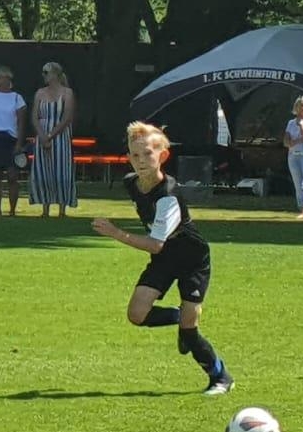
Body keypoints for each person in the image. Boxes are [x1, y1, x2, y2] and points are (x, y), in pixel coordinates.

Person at [90, 121, 234, 396]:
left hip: (192, 259)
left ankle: (221, 377)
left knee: (190, 332)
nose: (141, 160)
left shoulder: (168, 196)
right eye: (135, 155)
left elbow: (155, 244)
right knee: (136, 315)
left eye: (148, 154)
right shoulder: (131, 182)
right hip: (166, 258)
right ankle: (179, 316)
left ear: (163, 156)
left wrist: (116, 233)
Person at [29, 61, 77, 218]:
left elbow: (67, 117)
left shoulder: (67, 93)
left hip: (61, 137)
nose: (43, 75)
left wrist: (51, 135)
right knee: (44, 170)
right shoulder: (39, 93)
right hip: (42, 136)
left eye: (46, 72)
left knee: (62, 170)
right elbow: (35, 117)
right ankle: (45, 208)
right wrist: (42, 136)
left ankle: (62, 209)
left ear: (55, 74)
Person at [0, 67, 26, 216]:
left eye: (6, 78)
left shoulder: (17, 98)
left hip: (11, 139)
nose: (3, 81)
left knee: (12, 176)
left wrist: (19, 143)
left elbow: (21, 122)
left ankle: (12, 209)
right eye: (1, 78)